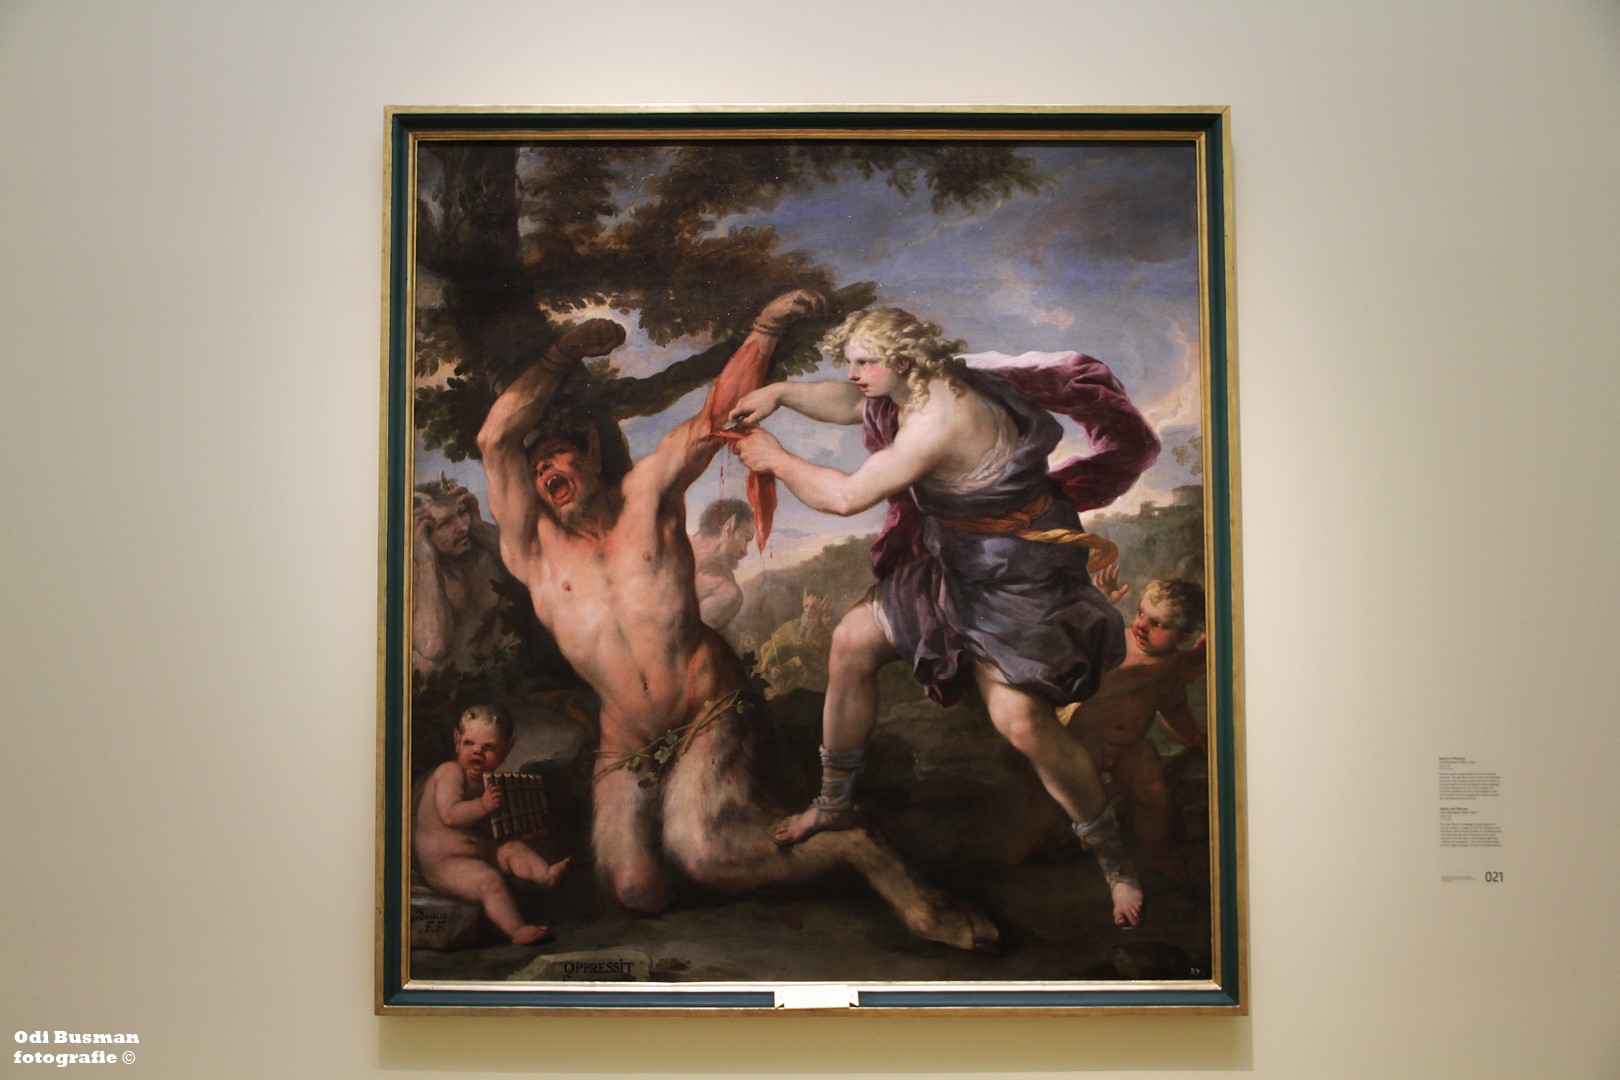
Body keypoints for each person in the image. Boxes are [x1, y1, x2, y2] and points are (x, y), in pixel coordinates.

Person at [475, 292, 996, 951]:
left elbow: (715, 418)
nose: (548, 470)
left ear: (592, 456)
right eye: (539, 466)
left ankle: (865, 852)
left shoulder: (646, 496)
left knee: (707, 857)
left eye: (559, 456)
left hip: (708, 709)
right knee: (636, 890)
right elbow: (494, 440)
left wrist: (767, 328)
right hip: (627, 739)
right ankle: (741, 845)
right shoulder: (531, 550)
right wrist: (559, 356)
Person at [732, 307, 1156, 926]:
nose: (852, 374)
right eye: (850, 361)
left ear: (902, 362)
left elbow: (846, 497)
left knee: (1022, 725)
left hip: (1015, 577)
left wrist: (775, 459)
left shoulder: (941, 418)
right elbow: (853, 403)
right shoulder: (919, 383)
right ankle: (833, 803)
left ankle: (1115, 864)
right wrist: (779, 394)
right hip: (955, 562)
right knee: (851, 640)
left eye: (863, 362)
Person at [1008, 570, 1208, 879]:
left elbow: (1173, 708)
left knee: (1153, 791)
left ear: (1182, 638)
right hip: (1086, 737)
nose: (1141, 625)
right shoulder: (1115, 639)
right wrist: (1100, 601)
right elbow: (1073, 640)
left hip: (1129, 746)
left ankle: (1155, 853)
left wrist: (1192, 735)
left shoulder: (1174, 667)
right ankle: (1019, 845)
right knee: (1057, 791)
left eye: (1158, 624)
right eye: (1141, 613)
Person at [414, 705, 573, 945]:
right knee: (489, 880)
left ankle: (546, 875)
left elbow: (487, 830)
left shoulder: (489, 783)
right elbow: (450, 816)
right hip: (443, 864)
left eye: (488, 747)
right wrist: (483, 805)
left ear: (507, 749)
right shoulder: (450, 773)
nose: (477, 752)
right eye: (469, 743)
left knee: (514, 850)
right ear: (456, 741)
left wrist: (521, 836)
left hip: (478, 852)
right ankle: (517, 930)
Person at [411, 477, 510, 673]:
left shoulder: (483, 555)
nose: (463, 527)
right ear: (422, 531)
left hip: (495, 676)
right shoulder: (415, 573)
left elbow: (527, 565)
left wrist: (478, 525)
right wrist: (426, 557)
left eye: (462, 513)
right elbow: (433, 646)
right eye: (445, 523)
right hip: (442, 686)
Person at [690, 498, 755, 630]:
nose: (745, 551)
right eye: (746, 539)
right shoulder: (668, 543)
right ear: (728, 527)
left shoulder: (726, 592)